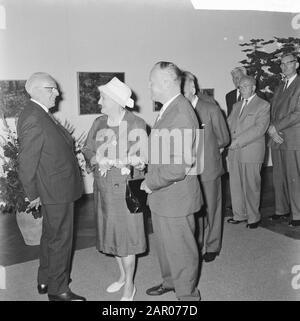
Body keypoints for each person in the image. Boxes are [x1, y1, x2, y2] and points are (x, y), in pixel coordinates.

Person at [17, 72, 86, 301]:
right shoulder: (34, 117)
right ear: (36, 90)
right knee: (60, 240)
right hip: (55, 189)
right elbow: (27, 162)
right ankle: (59, 289)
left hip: (56, 187)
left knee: (50, 236)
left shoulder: (38, 113)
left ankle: (45, 279)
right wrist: (32, 193)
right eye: (51, 88)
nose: (57, 93)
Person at [141, 61, 203, 301]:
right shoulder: (168, 109)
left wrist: (150, 182)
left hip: (175, 196)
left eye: (152, 81)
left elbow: (179, 165)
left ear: (167, 83)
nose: (149, 85)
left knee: (181, 251)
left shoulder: (180, 112)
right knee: (167, 248)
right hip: (164, 197)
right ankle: (170, 282)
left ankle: (188, 297)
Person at [82, 77, 148, 301]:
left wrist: (126, 161)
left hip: (126, 192)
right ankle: (121, 276)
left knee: (126, 241)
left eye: (103, 98)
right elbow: (87, 149)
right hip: (103, 190)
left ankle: (129, 285)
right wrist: (97, 159)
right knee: (112, 238)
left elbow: (143, 159)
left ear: (116, 101)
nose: (99, 102)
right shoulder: (99, 122)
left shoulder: (136, 124)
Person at [183, 71, 230, 262]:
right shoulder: (180, 111)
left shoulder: (211, 109)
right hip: (189, 169)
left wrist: (212, 151)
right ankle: (198, 242)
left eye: (182, 88)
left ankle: (213, 246)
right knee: (196, 209)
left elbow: (224, 138)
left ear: (192, 89)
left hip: (209, 169)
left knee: (213, 208)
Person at [227, 75, 270, 228]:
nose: (242, 89)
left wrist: (236, 142)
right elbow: (229, 124)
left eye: (245, 86)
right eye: (240, 86)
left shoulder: (263, 105)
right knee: (235, 184)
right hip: (234, 152)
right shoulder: (236, 105)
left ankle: (253, 217)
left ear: (253, 87)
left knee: (252, 186)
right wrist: (225, 141)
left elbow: (259, 129)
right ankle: (239, 214)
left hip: (250, 151)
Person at [268, 53, 300, 227]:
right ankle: (281, 210)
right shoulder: (280, 86)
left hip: (293, 138)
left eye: (288, 63)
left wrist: (276, 127)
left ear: (296, 65)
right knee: (278, 177)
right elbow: (272, 111)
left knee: (294, 177)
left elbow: (298, 113)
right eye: (282, 64)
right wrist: (272, 129)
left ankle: (297, 214)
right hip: (277, 138)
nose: (284, 66)